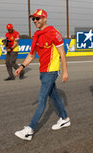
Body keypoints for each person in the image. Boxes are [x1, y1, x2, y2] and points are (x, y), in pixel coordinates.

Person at [14, 9, 71, 141]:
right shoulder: (36, 35)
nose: (35, 21)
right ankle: (65, 118)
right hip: (43, 70)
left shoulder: (53, 33)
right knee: (54, 96)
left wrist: (65, 71)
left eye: (37, 18)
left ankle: (30, 129)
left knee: (42, 99)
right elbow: (32, 54)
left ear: (45, 18)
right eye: (33, 19)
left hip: (51, 71)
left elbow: (62, 53)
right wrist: (22, 66)